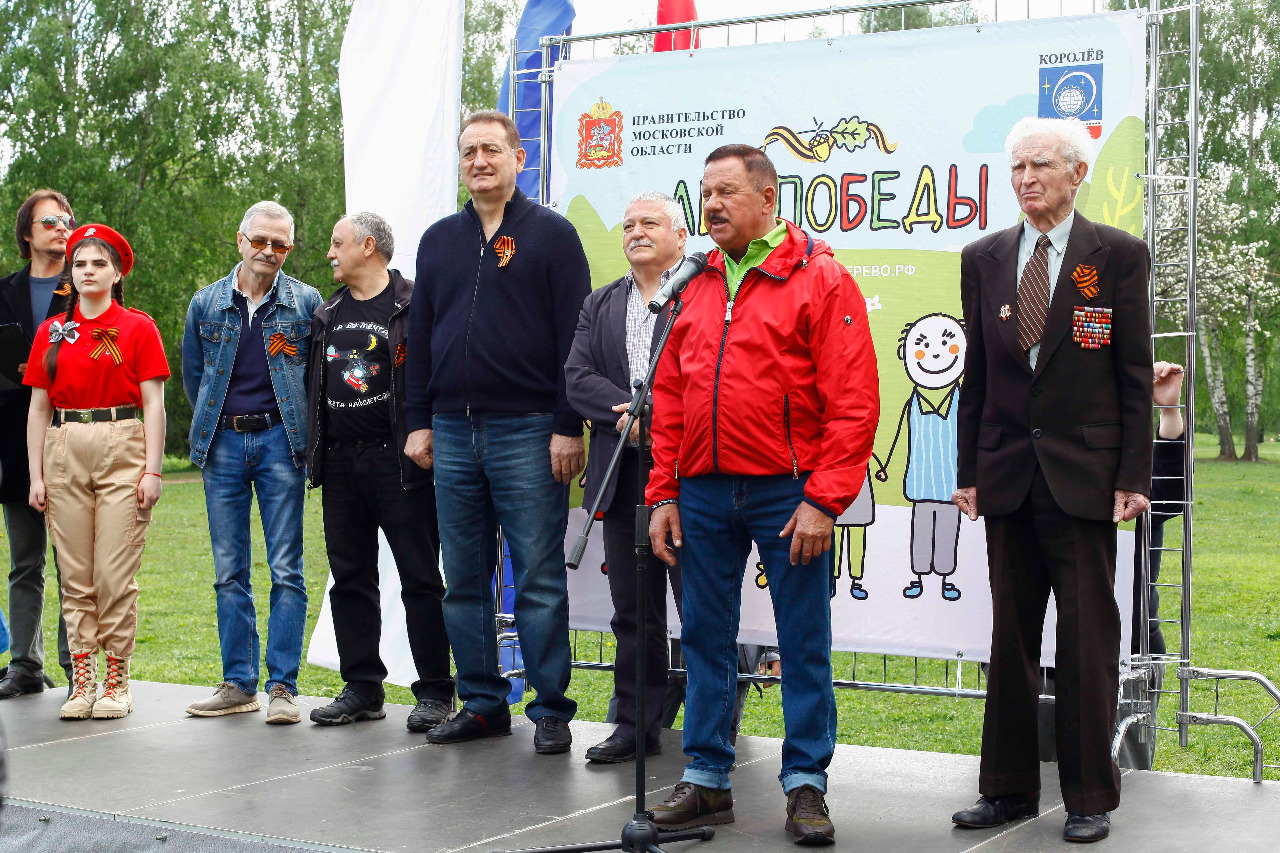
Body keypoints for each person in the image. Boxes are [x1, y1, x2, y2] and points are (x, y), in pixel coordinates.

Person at [645, 144, 879, 846]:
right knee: (704, 635)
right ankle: (707, 780)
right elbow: (669, 394)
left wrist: (825, 500)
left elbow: (854, 400)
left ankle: (806, 783)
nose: (711, 205)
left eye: (726, 192)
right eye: (705, 193)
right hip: (702, 490)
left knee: (802, 639)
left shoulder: (820, 277)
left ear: (769, 198)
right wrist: (663, 491)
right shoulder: (693, 280)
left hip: (788, 492)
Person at [950, 116, 1153, 844]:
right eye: (1017, 167)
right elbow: (977, 375)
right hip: (1007, 474)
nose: (1027, 178)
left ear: (1077, 173)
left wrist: (1133, 474)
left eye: (1040, 165)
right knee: (1009, 637)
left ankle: (1090, 795)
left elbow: (1133, 374)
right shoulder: (983, 257)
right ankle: (1005, 789)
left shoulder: (1118, 255)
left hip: (1086, 478)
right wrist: (969, 471)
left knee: (1087, 640)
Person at [405, 110, 590, 753]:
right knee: (463, 579)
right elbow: (420, 339)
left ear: (518, 157)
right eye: (469, 152)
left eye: (491, 149)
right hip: (452, 433)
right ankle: (483, 703)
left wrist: (568, 425)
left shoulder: (552, 235)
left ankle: (550, 709)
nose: (479, 161)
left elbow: (575, 338)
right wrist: (418, 421)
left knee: (537, 577)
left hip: (531, 431)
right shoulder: (438, 240)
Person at [305, 212, 454, 731]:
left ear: (368, 246)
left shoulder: (413, 305)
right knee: (350, 578)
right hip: (340, 462)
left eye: (337, 243)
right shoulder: (326, 313)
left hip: (400, 462)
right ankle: (362, 687)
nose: (330, 253)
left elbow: (433, 373)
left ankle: (436, 691)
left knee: (420, 578)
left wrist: (425, 432)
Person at [181, 201, 321, 725]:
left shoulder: (306, 302)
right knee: (228, 571)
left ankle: (283, 686)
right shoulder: (205, 303)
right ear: (240, 240)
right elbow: (195, 378)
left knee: (287, 568)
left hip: (282, 442)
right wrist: (217, 425)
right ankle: (238, 684)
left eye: (279, 244)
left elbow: (315, 379)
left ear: (289, 249)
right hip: (222, 444)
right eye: (260, 240)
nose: (268, 251)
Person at [24, 223, 168, 719]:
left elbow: (154, 404)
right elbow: (38, 408)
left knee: (112, 573)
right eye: (80, 264)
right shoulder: (50, 331)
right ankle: (82, 681)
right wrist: (36, 476)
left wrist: (152, 471)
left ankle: (117, 681)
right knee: (76, 576)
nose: (87, 271)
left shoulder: (138, 327)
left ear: (117, 273)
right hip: (63, 444)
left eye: (98, 263)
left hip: (122, 442)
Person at [565, 191, 687, 764]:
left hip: (686, 472)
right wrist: (627, 414)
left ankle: (711, 732)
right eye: (629, 224)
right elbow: (577, 377)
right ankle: (637, 725)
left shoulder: (701, 294)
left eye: (650, 223)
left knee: (700, 608)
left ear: (680, 236)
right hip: (621, 472)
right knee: (634, 610)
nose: (637, 231)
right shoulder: (601, 302)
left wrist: (654, 418)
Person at [0, 190, 75, 698]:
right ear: (27, 232)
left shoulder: (87, 285)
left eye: (66, 219)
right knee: (25, 561)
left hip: (72, 437)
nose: (61, 226)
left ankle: (78, 668)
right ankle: (25, 665)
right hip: (13, 441)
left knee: (73, 564)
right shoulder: (3, 291)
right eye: (50, 221)